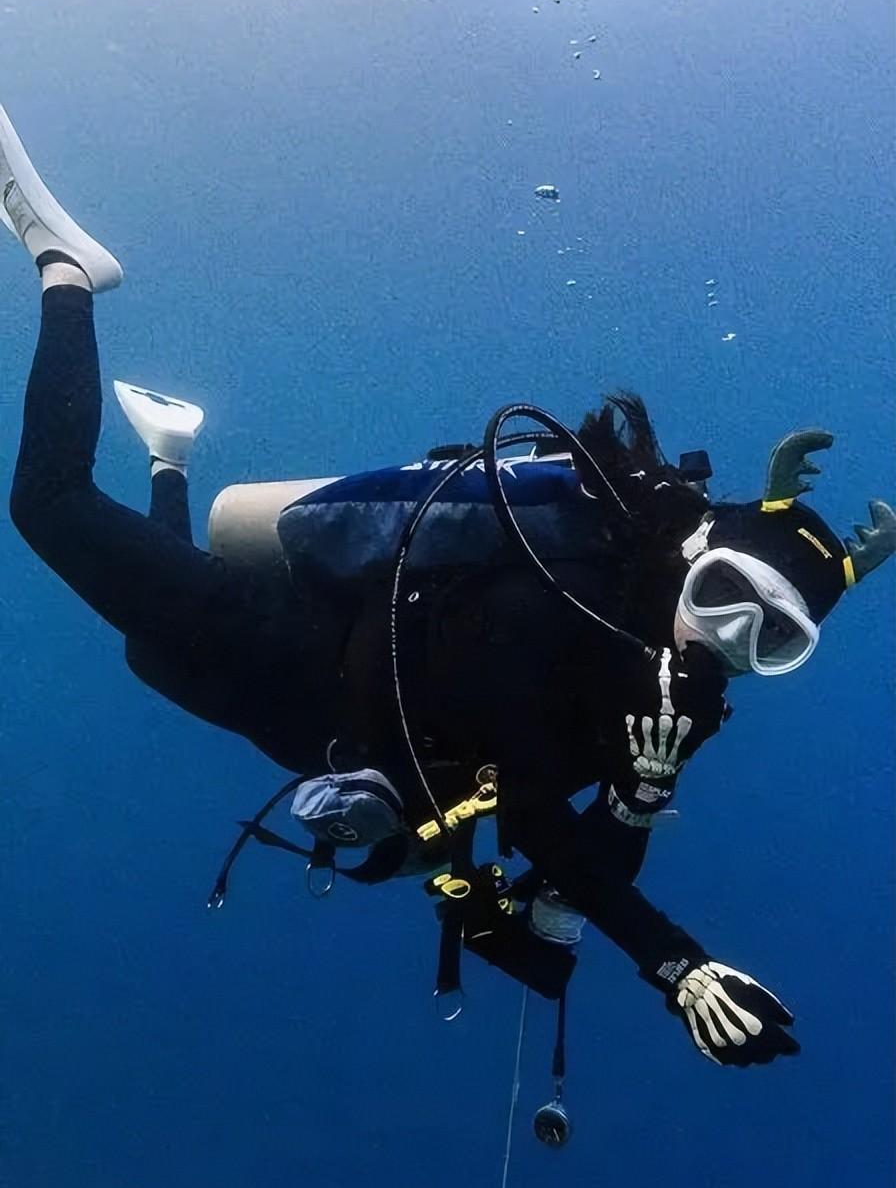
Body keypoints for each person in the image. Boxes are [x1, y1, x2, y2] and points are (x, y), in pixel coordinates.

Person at [4, 102, 894, 1070]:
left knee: (146, 650)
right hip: (300, 649)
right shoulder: (560, 593)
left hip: (329, 741)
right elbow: (532, 813)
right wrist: (675, 964)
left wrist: (639, 800)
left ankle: (169, 458)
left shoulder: (676, 710)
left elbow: (567, 878)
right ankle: (69, 271)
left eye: (771, 640)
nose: (725, 637)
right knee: (50, 507)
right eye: (724, 592)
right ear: (696, 550)